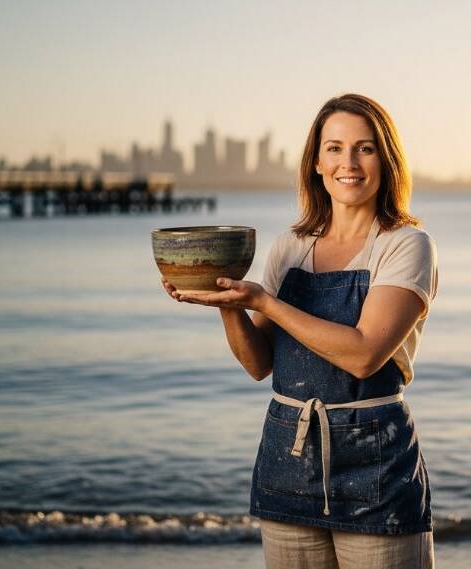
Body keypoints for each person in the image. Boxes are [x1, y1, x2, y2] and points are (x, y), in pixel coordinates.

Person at [162, 93, 438, 569]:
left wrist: (262, 300)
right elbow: (258, 364)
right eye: (334, 148)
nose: (347, 163)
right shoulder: (290, 245)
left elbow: (364, 354)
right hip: (287, 458)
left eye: (365, 148)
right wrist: (227, 304)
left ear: (386, 161)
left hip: (375, 464)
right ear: (315, 162)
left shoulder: (406, 245)